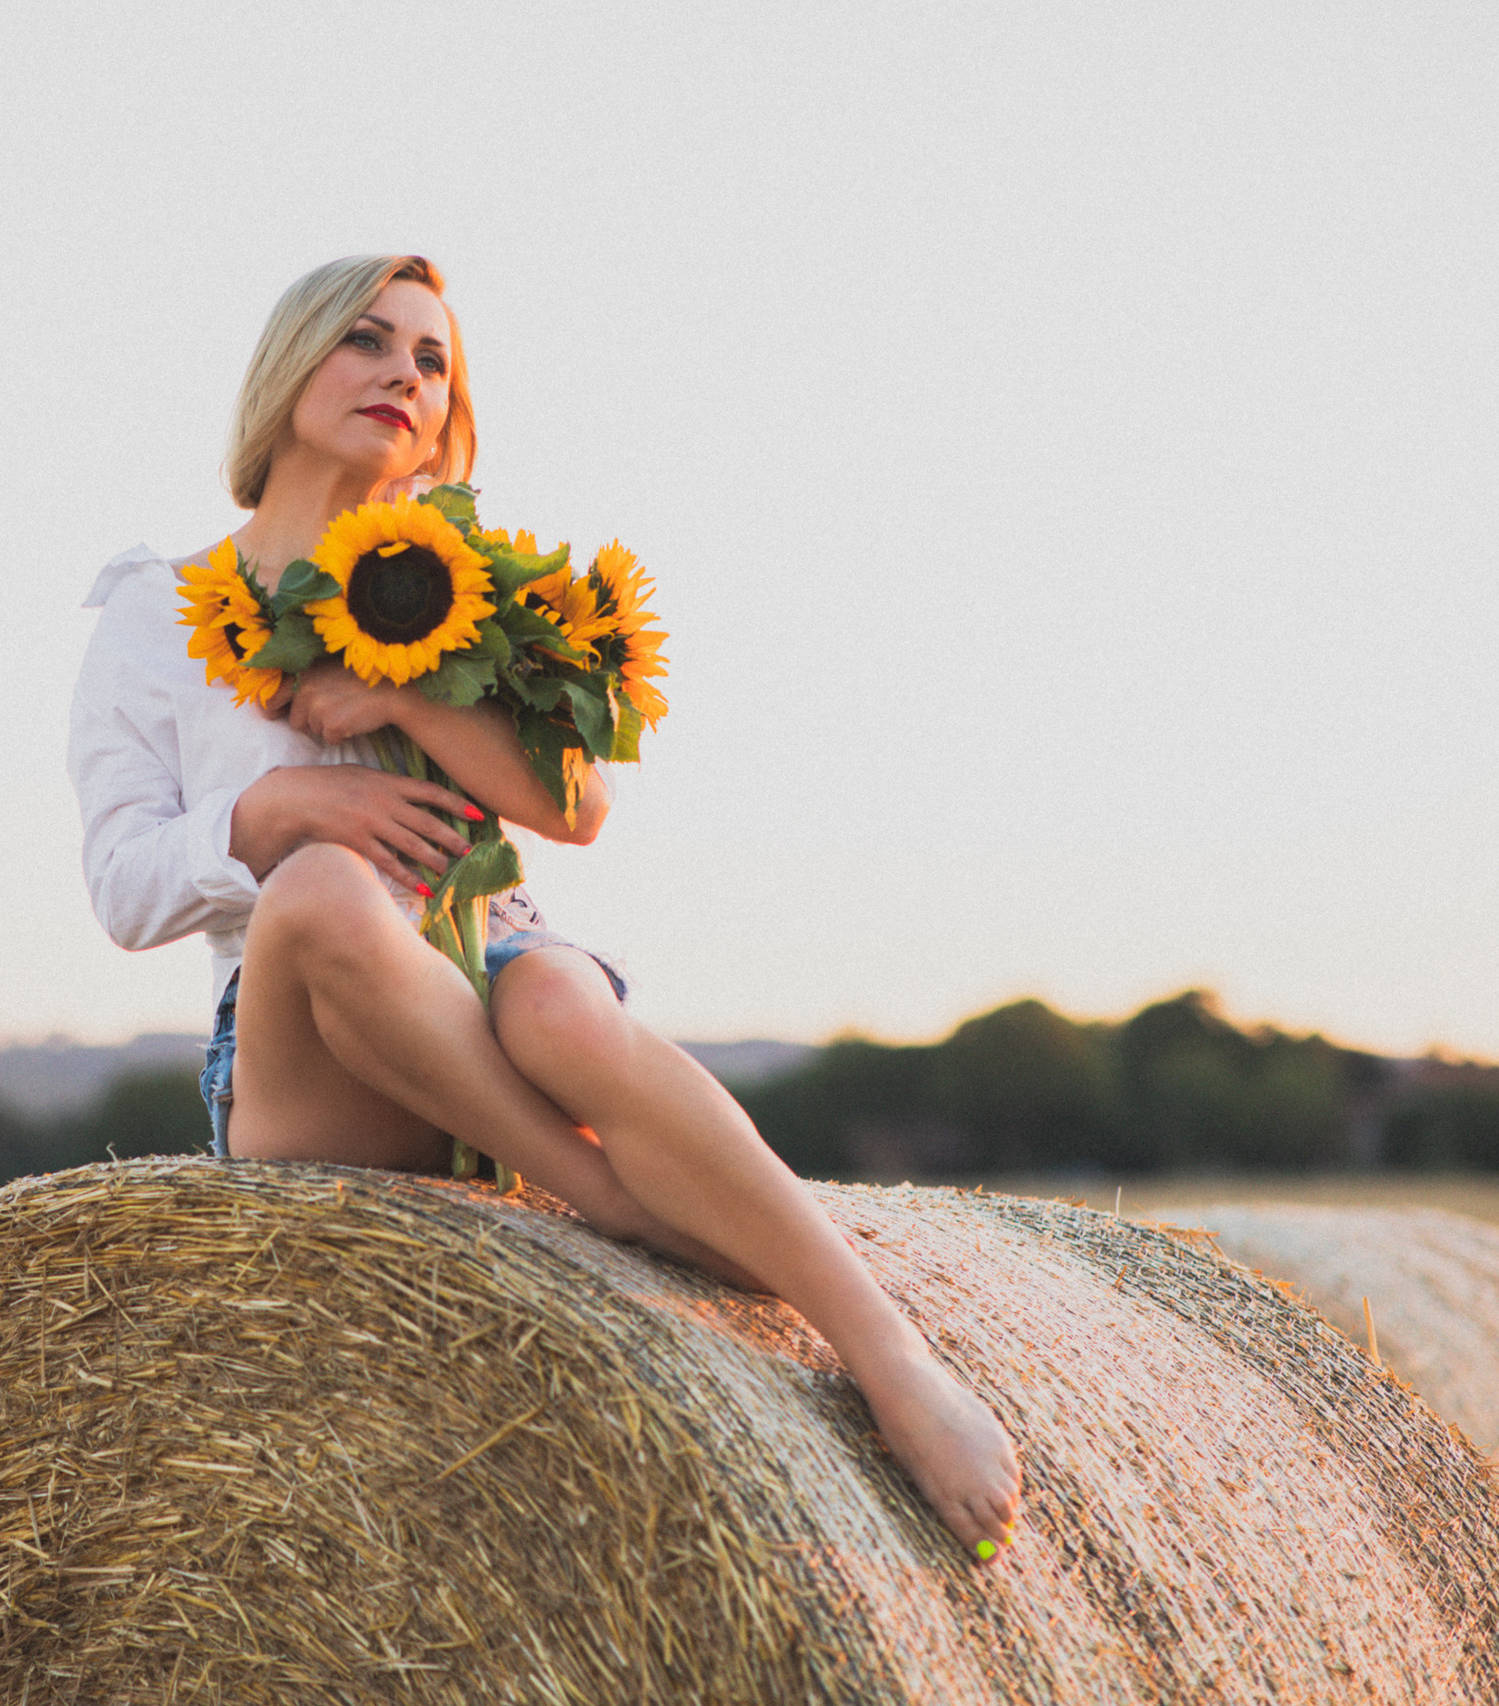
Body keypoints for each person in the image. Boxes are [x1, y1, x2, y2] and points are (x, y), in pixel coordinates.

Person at [68, 253, 1021, 1561]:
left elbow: (576, 808)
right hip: (309, 1038)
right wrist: (279, 816)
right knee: (332, 889)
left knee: (567, 1005)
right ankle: (601, 1193)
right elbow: (122, 885)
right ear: (289, 368)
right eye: (368, 340)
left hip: (496, 961)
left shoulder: (470, 586)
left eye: (433, 359)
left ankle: (891, 1351)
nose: (405, 371)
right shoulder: (156, 612)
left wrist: (405, 699)